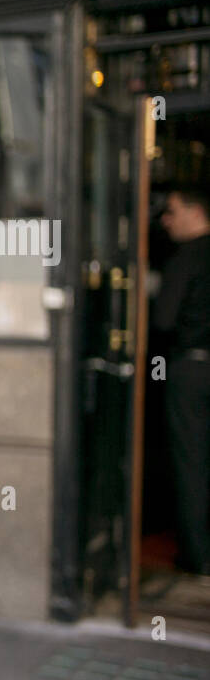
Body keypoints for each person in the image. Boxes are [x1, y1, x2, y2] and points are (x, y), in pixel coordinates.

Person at [153, 184, 210, 575]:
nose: (165, 220)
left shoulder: (185, 258)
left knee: (192, 460)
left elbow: (163, 320)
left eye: (172, 211)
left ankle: (198, 556)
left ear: (196, 211)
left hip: (191, 369)